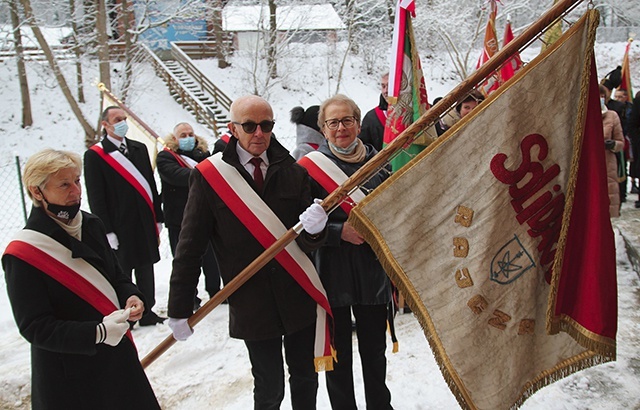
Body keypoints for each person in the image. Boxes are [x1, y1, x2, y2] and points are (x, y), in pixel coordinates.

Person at [167, 95, 330, 410]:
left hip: (296, 292)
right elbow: (190, 246)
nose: (259, 133)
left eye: (266, 125)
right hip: (252, 300)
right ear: (232, 128)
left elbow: (309, 243)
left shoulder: (294, 172)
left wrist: (315, 229)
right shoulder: (209, 176)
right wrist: (179, 306)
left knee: (306, 380)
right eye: (250, 126)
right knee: (269, 388)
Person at [2, 149, 160, 409]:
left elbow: (116, 276)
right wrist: (97, 333)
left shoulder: (92, 224)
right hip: (69, 378)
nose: (76, 191)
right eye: (64, 184)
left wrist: (131, 295)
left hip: (117, 363)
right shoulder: (22, 253)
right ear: (37, 192)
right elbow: (35, 326)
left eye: (77, 180)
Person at [303, 94, 394, 409]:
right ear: (323, 129)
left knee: (374, 353)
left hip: (373, 272)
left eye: (347, 120)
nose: (341, 127)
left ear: (357, 123)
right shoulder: (308, 169)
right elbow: (298, 227)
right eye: (333, 122)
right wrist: (337, 232)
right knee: (338, 357)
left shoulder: (380, 163)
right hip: (332, 273)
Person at [84, 106, 166, 326]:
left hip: (143, 220)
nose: (122, 123)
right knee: (124, 271)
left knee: (146, 267)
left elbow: (150, 184)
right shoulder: (96, 155)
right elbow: (96, 196)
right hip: (119, 225)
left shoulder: (139, 148)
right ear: (105, 125)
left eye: (124, 118)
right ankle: (128, 316)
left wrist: (158, 217)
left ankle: (147, 311)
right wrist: (107, 230)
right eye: (117, 119)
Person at [156, 122, 221, 309]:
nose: (188, 138)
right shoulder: (165, 157)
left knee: (211, 258)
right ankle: (189, 298)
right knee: (184, 260)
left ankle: (216, 291)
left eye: (190, 134)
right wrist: (203, 173)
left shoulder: (203, 155)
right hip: (179, 218)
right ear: (175, 139)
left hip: (205, 213)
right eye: (183, 135)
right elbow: (177, 175)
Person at [600, 84, 625, 218]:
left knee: (607, 206)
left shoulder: (612, 116)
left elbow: (621, 142)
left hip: (607, 164)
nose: (600, 99)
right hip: (587, 163)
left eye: (602, 96)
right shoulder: (581, 114)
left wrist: (613, 144)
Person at [358, 72, 389, 151]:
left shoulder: (413, 115)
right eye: (383, 86)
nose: (386, 91)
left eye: (389, 86)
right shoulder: (371, 118)